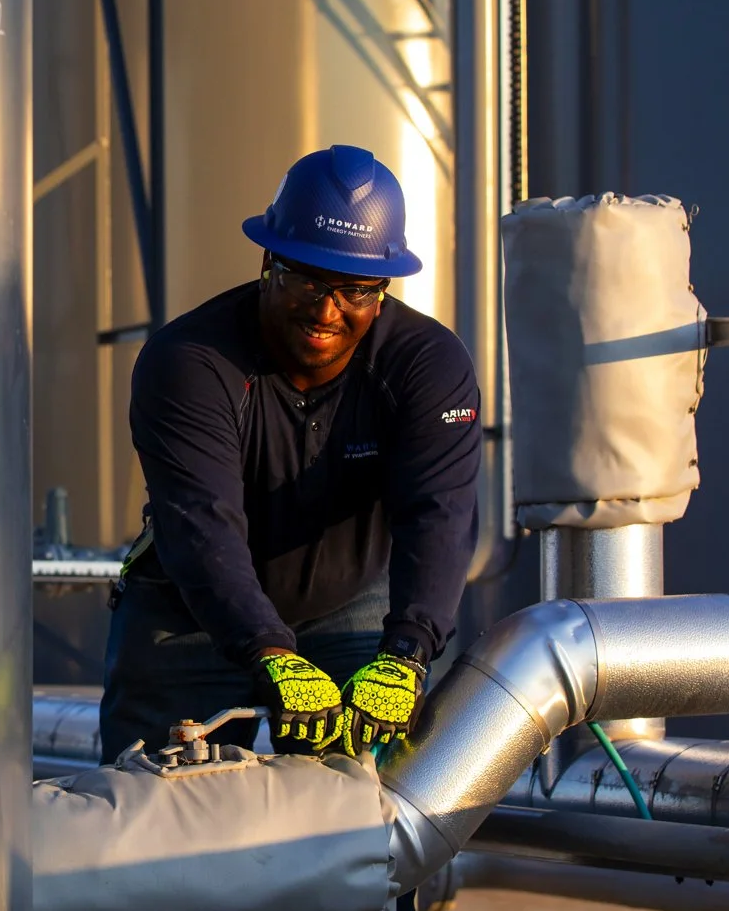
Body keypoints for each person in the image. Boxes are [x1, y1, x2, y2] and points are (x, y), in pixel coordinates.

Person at [100, 144, 481, 767]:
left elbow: (438, 514)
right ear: (268, 263)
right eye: (306, 278)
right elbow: (202, 521)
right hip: (189, 607)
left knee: (360, 823)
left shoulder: (427, 366)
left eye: (354, 289)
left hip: (349, 602)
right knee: (155, 817)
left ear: (382, 291)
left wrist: (408, 650)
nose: (326, 311)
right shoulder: (191, 362)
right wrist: (269, 651)